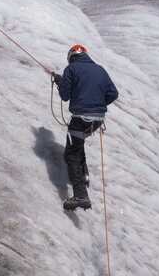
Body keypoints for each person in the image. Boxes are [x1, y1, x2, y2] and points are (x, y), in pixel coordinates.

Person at [52, 44, 118, 210]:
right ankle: (85, 176)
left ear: (71, 57)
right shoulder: (100, 69)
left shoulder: (71, 69)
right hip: (97, 120)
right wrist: (97, 104)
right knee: (78, 145)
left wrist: (60, 82)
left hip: (80, 118)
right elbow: (113, 93)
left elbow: (65, 96)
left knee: (71, 154)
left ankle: (81, 195)